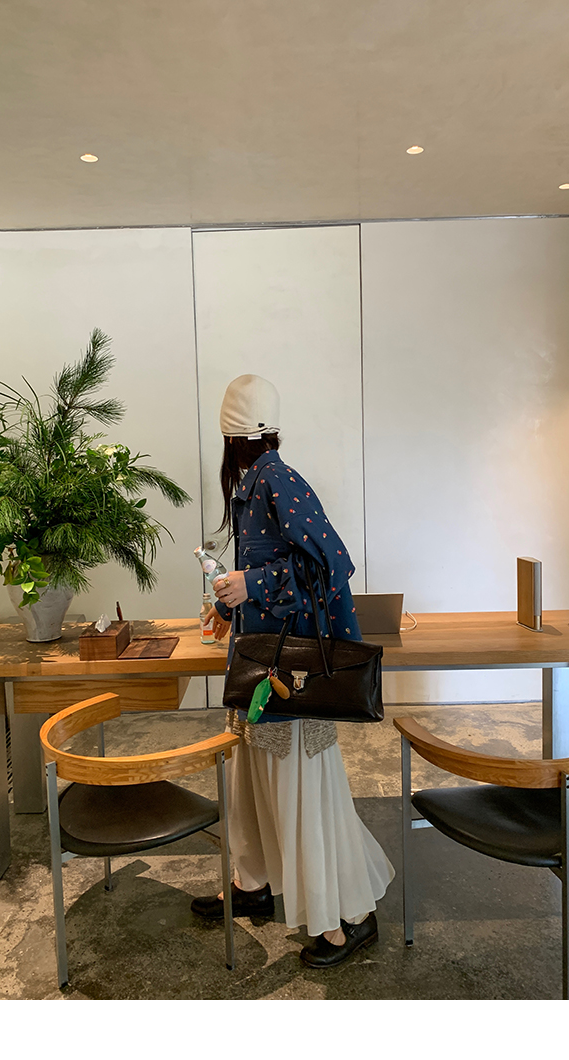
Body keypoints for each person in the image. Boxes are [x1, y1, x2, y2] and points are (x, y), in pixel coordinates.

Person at [190, 374, 394, 967]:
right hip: (264, 663)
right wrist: (231, 605)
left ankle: (347, 918)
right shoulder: (258, 481)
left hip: (290, 674)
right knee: (254, 780)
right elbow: (283, 569)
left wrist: (250, 584)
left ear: (232, 437)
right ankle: (252, 884)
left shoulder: (275, 480)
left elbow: (331, 564)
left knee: (302, 791)